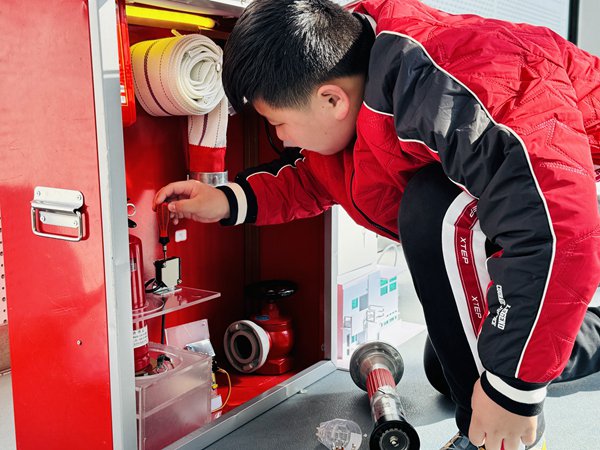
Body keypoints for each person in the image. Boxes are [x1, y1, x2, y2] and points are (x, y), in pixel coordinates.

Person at [153, 1, 600, 448]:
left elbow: (554, 228)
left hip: (571, 197)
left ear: (332, 100)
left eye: (279, 123)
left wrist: (513, 391)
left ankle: (492, 440)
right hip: (534, 213)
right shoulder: (347, 66)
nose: (282, 137)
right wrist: (227, 200)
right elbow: (321, 176)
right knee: (447, 366)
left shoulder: (455, 83)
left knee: (431, 207)